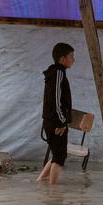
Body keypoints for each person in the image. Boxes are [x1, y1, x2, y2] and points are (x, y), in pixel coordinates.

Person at [37, 43, 75, 185]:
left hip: (52, 121)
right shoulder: (58, 73)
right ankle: (53, 193)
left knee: (56, 156)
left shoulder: (56, 73)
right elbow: (55, 100)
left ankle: (40, 182)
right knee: (59, 157)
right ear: (62, 58)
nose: (73, 59)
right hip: (56, 123)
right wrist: (62, 122)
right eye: (71, 56)